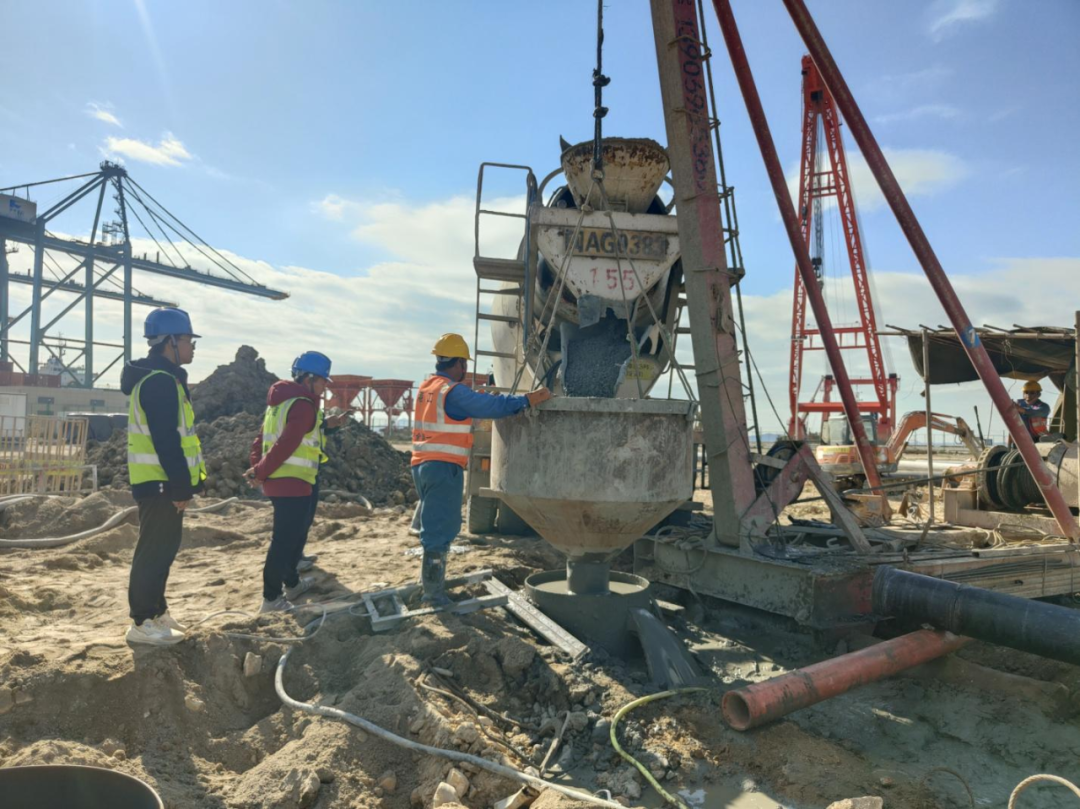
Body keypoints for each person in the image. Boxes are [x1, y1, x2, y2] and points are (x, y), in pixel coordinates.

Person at [412, 333, 552, 606]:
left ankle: (428, 585)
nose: (465, 370)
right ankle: (433, 595)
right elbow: (491, 406)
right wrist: (526, 400)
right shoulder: (452, 391)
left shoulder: (428, 387)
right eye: (464, 364)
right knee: (440, 529)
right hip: (443, 467)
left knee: (434, 526)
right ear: (459, 364)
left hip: (421, 465)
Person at [121, 308, 206, 646]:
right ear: (170, 341)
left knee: (164, 550)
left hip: (162, 481)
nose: (192, 346)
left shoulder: (166, 379)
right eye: (188, 340)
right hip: (159, 482)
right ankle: (142, 621)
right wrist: (181, 487)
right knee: (153, 552)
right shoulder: (159, 382)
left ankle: (157, 612)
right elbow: (166, 440)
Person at [245, 352, 352, 612]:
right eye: (323, 381)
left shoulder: (281, 404)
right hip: (291, 482)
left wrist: (258, 469)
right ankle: (271, 598)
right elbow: (285, 444)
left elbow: (262, 439)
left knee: (294, 536)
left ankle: (292, 584)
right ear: (309, 378)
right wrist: (259, 471)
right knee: (284, 542)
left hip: (290, 481)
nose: (325, 386)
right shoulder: (303, 405)